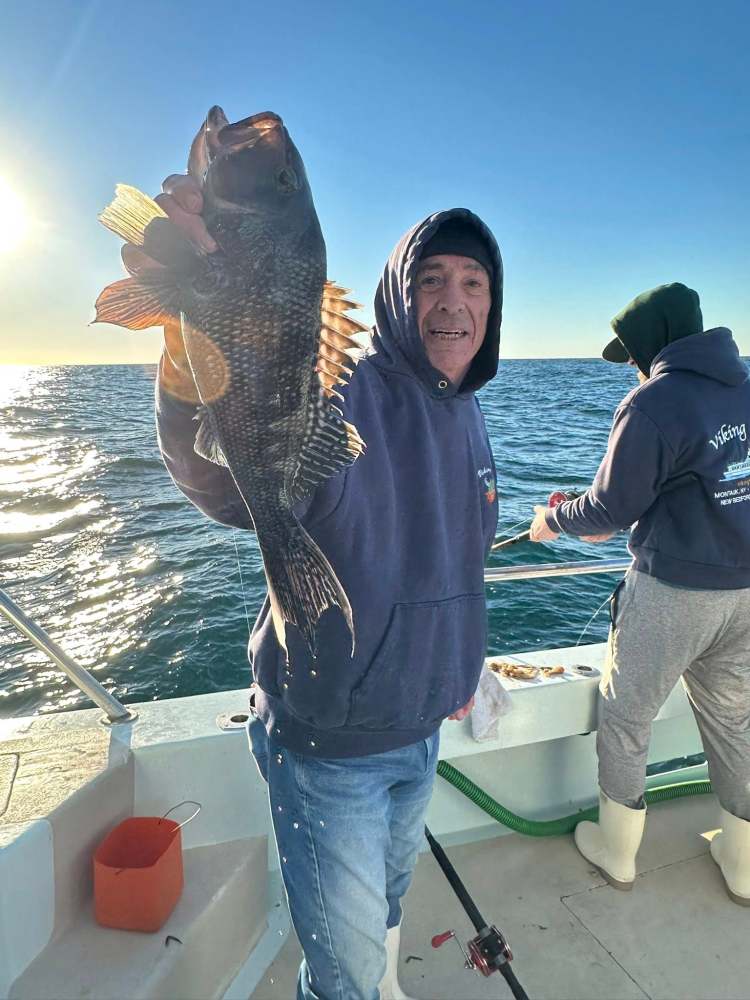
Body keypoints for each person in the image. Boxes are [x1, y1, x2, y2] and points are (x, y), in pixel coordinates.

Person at [128, 172, 504, 998]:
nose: (454, 300)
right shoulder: (343, 386)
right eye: (432, 279)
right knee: (341, 972)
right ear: (399, 295)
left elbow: (458, 558)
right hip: (332, 746)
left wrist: (463, 665)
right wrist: (190, 350)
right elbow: (226, 483)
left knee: (388, 905)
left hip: (423, 727)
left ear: (493, 303)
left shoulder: (468, 409)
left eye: (474, 282)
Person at [529, 283, 750, 906]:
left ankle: (618, 852)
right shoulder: (745, 387)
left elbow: (609, 507)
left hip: (674, 594)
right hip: (745, 593)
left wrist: (553, 520)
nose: (630, 363)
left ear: (654, 340)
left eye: (631, 350)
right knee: (735, 722)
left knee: (626, 718)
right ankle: (743, 865)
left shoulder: (653, 401)